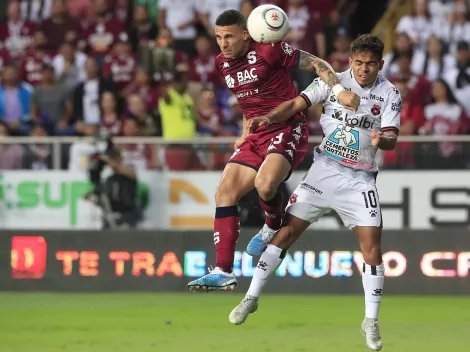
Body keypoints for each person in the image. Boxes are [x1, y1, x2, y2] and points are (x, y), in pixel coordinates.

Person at [230, 35, 402, 352]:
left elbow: (391, 135)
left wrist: (383, 140)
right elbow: (297, 104)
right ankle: (251, 298)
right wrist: (269, 117)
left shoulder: (389, 94)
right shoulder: (332, 82)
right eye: (359, 62)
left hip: (359, 181)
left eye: (371, 64)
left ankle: (370, 321)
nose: (364, 70)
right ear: (351, 61)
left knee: (372, 249)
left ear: (380, 64)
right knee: (285, 234)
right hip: (323, 172)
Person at [187, 10, 360, 292]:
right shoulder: (222, 64)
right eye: (218, 37)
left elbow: (317, 63)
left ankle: (271, 225)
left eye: (229, 36)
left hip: (286, 127)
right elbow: (248, 102)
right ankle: (223, 271)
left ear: (246, 34)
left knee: (264, 184)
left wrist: (339, 91)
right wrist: (244, 135)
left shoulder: (270, 50)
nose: (223, 43)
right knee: (224, 193)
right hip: (256, 134)